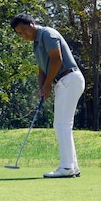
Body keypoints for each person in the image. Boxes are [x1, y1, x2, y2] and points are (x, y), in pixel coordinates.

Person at [10, 13, 85, 178]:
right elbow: (42, 69)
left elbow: (56, 59)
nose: (24, 35)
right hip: (64, 81)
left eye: (25, 30)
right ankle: (72, 167)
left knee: (61, 125)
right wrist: (42, 87)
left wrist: (47, 84)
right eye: (20, 34)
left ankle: (66, 168)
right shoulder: (36, 45)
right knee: (63, 125)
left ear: (32, 23)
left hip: (69, 78)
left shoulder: (47, 34)